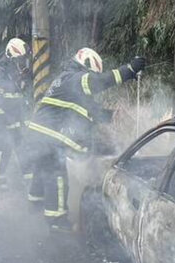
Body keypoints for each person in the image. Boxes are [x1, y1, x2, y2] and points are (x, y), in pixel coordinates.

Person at [27, 48, 145, 231]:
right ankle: (57, 221)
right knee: (57, 177)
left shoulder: (67, 80)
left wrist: (111, 115)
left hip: (39, 134)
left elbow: (87, 109)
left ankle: (34, 202)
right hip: (48, 135)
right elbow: (100, 81)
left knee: (43, 169)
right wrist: (129, 70)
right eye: (91, 74)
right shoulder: (75, 78)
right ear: (86, 66)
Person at [0, 38, 32, 183]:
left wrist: (24, 119)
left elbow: (19, 100)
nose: (23, 63)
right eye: (20, 59)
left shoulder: (15, 76)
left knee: (23, 147)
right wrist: (1, 126)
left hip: (16, 120)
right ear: (11, 58)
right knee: (3, 148)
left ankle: (29, 177)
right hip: (1, 121)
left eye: (24, 59)